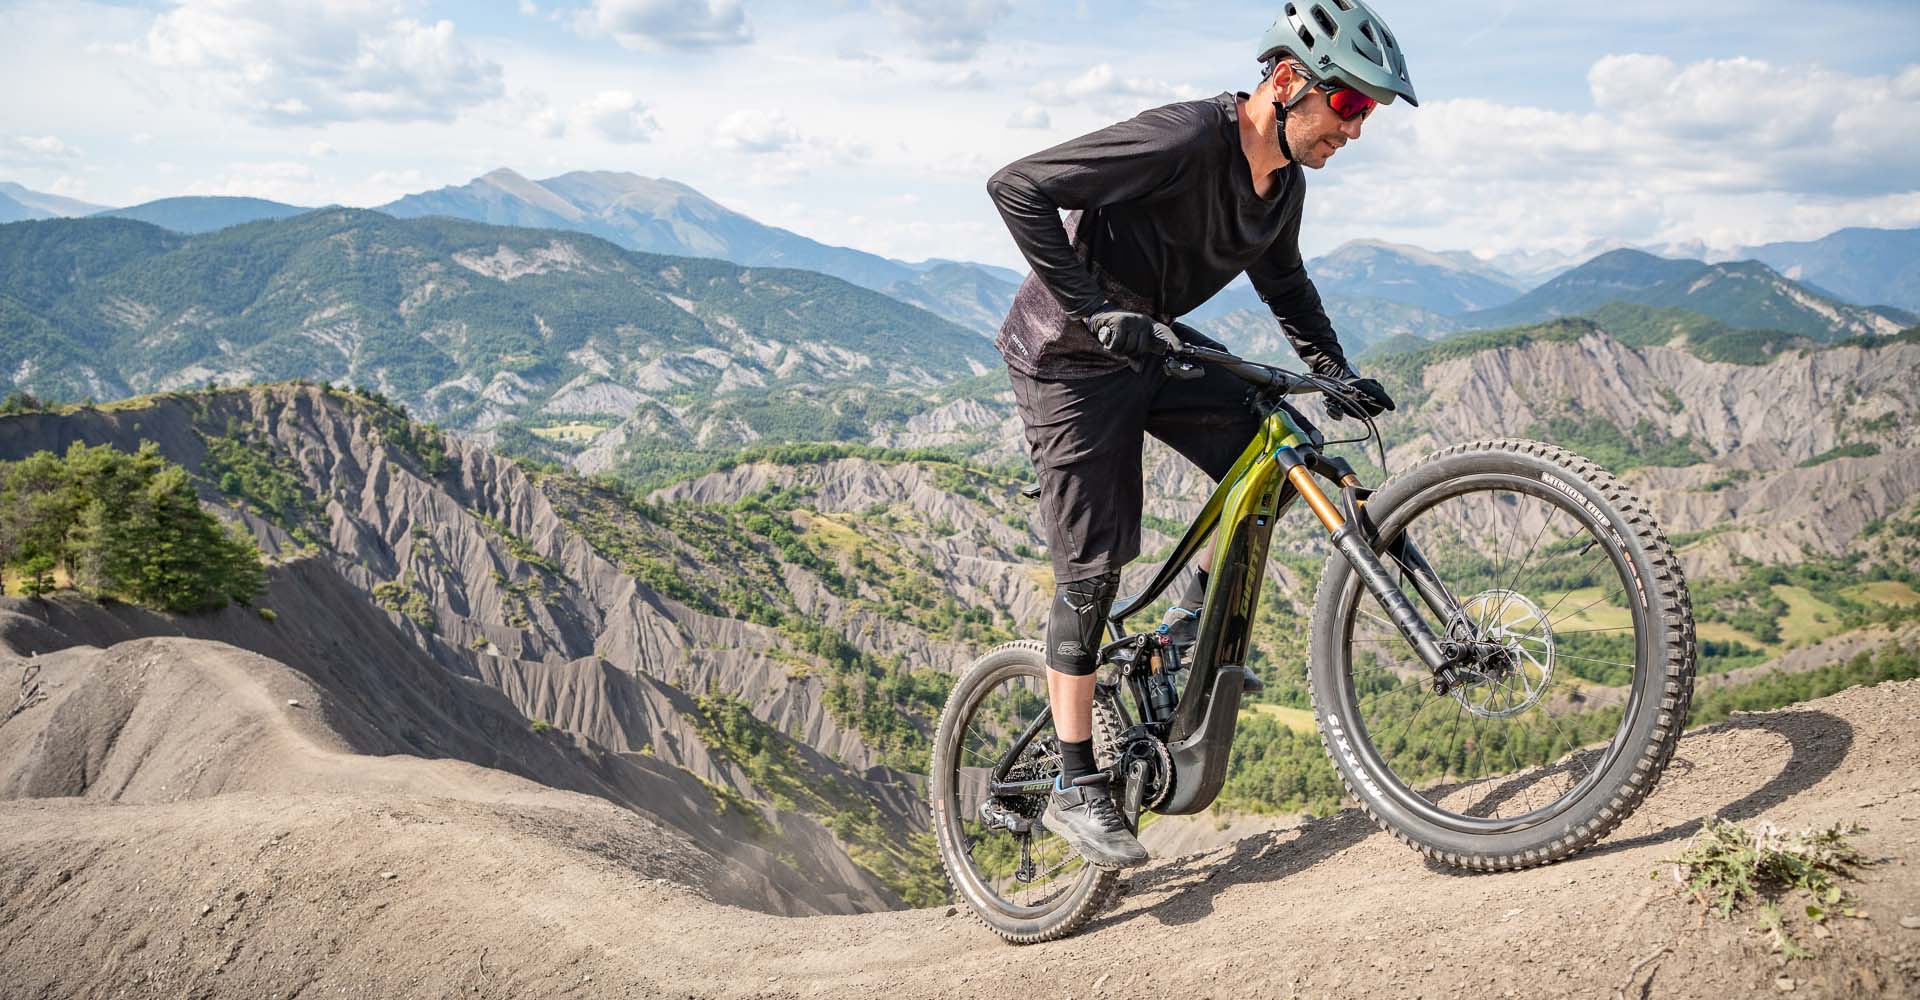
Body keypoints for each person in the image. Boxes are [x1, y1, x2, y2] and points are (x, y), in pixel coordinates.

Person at [986, 1, 1417, 868]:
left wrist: (1333, 373)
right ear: (1289, 83)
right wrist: (1098, 308)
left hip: (1157, 345)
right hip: (1069, 359)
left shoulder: (1280, 186)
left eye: (1367, 113)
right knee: (1092, 573)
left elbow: (1286, 288)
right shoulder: (1182, 139)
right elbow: (1017, 186)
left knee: (1283, 447)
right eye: (1353, 106)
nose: (1357, 131)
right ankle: (1076, 782)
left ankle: (1186, 633)